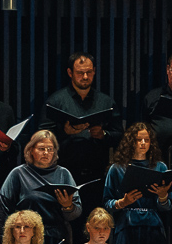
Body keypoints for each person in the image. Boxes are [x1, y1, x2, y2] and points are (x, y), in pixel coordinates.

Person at [103, 122, 172, 244]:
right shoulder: (117, 169)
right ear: (130, 142)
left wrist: (162, 196)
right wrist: (123, 202)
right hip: (127, 227)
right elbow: (106, 204)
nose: (143, 143)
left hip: (153, 228)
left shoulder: (160, 167)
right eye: (138, 139)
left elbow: (168, 206)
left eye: (147, 140)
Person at [40, 51, 120, 183]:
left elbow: (120, 136)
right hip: (63, 173)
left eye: (89, 72)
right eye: (80, 73)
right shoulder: (55, 101)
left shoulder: (106, 102)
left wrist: (103, 134)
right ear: (70, 73)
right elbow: (41, 138)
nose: (85, 76)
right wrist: (64, 132)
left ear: (94, 71)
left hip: (97, 172)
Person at [0, 130, 82, 240]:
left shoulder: (63, 173)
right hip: (26, 237)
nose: (46, 153)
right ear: (31, 150)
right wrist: (6, 240)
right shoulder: (19, 173)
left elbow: (75, 214)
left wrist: (68, 206)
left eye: (50, 149)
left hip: (57, 237)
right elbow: (3, 210)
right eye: (41, 149)